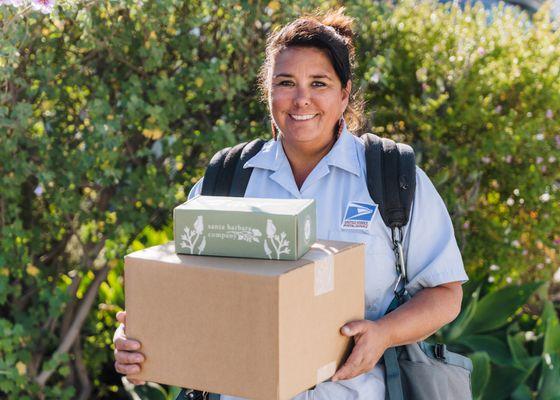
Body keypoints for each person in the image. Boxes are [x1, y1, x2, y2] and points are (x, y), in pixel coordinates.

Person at [113, 8, 468, 399]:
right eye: (286, 82)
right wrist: (139, 339)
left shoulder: (389, 176)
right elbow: (187, 293)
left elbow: (445, 291)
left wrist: (383, 334)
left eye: (319, 83)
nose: (301, 100)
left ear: (344, 93)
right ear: (268, 90)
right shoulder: (228, 180)